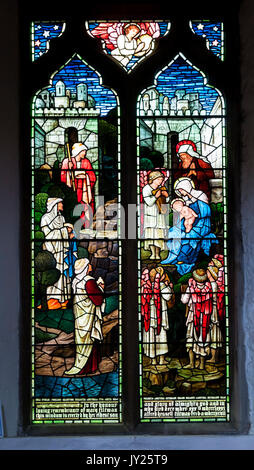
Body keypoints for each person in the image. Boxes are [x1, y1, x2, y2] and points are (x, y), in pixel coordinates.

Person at [162, 177, 218, 275]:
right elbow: (179, 218)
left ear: (186, 187)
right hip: (188, 226)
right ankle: (175, 258)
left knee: (189, 238)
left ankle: (186, 261)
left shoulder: (201, 197)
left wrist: (193, 226)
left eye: (181, 190)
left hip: (202, 225)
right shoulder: (184, 201)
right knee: (176, 234)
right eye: (178, 191)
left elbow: (205, 214)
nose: (180, 192)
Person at [65, 258, 105, 376]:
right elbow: (97, 300)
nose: (91, 266)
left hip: (79, 315)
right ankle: (87, 367)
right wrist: (101, 287)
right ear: (85, 268)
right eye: (89, 265)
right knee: (89, 339)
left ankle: (85, 365)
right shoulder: (88, 281)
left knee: (82, 339)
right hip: (88, 316)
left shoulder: (76, 281)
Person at [40, 198, 72, 309]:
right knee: (54, 273)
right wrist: (63, 231)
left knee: (63, 273)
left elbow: (61, 234)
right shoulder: (45, 218)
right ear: (55, 205)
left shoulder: (61, 218)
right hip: (52, 250)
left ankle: (63, 298)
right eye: (60, 203)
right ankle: (52, 299)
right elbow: (47, 236)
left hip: (61, 250)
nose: (62, 205)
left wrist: (66, 232)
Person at [181, 269, 214, 370]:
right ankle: (202, 365)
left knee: (191, 341)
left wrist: (182, 294)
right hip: (205, 319)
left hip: (193, 317)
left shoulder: (191, 288)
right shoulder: (209, 288)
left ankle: (191, 364)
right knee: (203, 341)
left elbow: (184, 300)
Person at [141, 267, 173, 365]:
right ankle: (161, 359)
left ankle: (153, 360)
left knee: (150, 338)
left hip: (149, 317)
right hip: (160, 317)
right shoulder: (161, 285)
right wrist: (169, 287)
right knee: (161, 337)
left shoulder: (145, 286)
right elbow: (167, 296)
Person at [61, 142, 97, 229]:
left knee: (86, 209)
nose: (85, 153)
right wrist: (69, 171)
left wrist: (86, 177)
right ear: (78, 151)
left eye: (85, 151)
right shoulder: (67, 161)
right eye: (83, 151)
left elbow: (93, 177)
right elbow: (62, 177)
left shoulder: (86, 162)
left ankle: (86, 228)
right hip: (72, 193)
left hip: (85, 191)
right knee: (74, 211)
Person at [142, 170, 169, 260]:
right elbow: (149, 202)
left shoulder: (162, 188)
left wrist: (166, 196)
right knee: (151, 236)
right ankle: (153, 254)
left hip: (160, 215)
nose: (160, 181)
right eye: (159, 179)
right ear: (152, 179)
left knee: (158, 235)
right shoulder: (146, 189)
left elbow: (165, 202)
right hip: (150, 216)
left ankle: (158, 254)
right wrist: (156, 196)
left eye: (161, 179)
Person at [206, 255, 225, 363]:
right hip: (212, 310)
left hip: (213, 311)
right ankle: (213, 356)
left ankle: (214, 357)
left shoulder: (213, 284)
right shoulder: (213, 283)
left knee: (214, 332)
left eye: (212, 264)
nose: (209, 265)